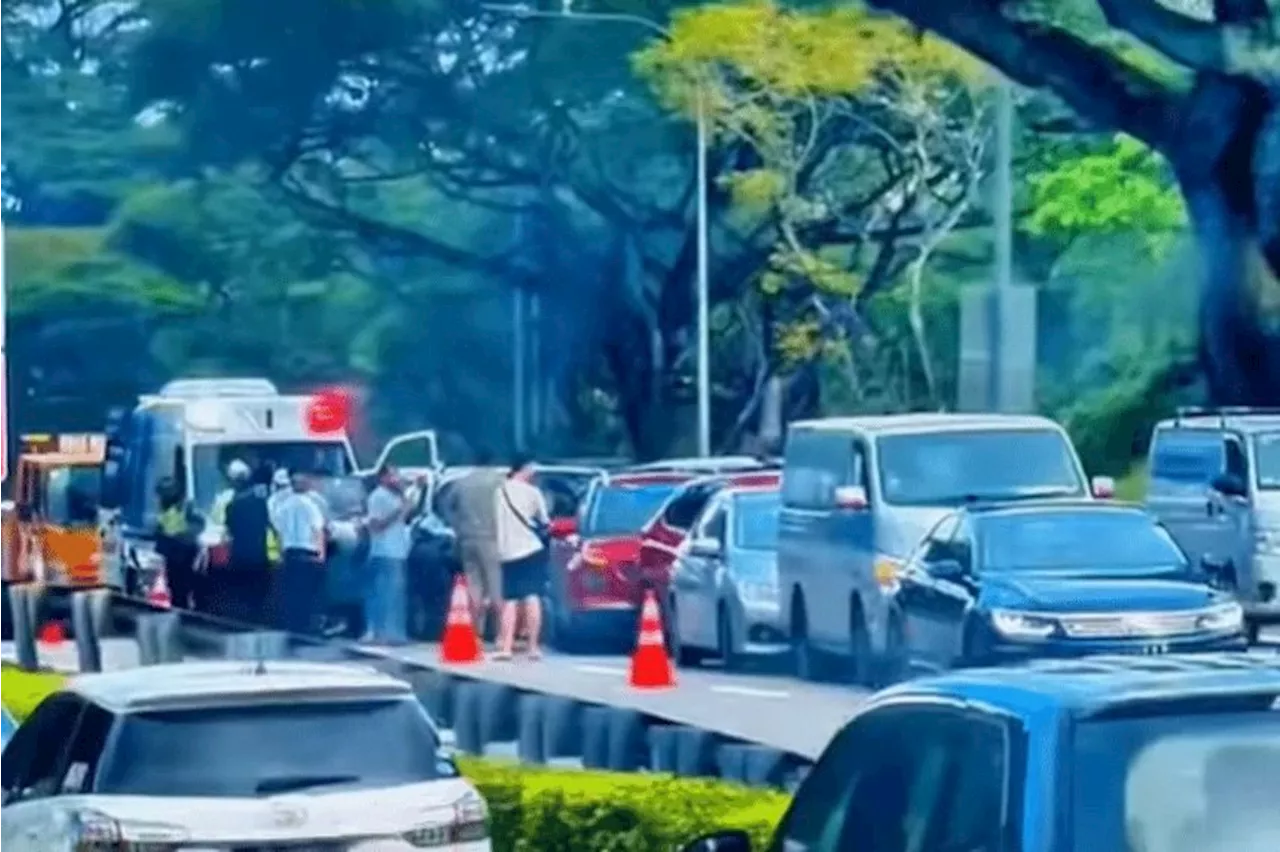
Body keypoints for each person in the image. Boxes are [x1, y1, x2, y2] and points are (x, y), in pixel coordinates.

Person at [493, 454, 551, 660]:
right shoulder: (533, 493)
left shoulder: (498, 491)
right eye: (532, 469)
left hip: (506, 551)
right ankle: (533, 647)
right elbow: (544, 521)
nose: (534, 473)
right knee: (532, 596)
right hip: (530, 549)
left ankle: (506, 647)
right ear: (524, 469)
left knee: (509, 599)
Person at [442, 450, 505, 637]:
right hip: (492, 538)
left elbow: (446, 506)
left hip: (467, 538)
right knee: (496, 586)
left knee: (473, 585)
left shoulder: (462, 483)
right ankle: (502, 633)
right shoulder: (498, 482)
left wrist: (457, 524)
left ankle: (476, 632)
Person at [271, 469, 328, 634]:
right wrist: (321, 554)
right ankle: (306, 629)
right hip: (308, 553)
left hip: (290, 554)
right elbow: (318, 530)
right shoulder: (310, 505)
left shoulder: (284, 506)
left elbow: (279, 531)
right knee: (308, 594)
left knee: (292, 594)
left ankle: (293, 628)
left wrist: (281, 553)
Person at [361, 464, 411, 645]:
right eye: (392, 475)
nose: (396, 478)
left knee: (396, 594)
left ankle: (395, 633)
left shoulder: (395, 496)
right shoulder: (378, 497)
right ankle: (381, 632)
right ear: (382, 478)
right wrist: (399, 510)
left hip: (398, 551)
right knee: (386, 593)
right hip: (384, 551)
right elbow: (376, 525)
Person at [219, 462, 273, 624]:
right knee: (258, 597)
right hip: (259, 555)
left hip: (240, 556)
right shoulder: (261, 502)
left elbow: (229, 528)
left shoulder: (232, 505)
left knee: (241, 596)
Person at [153, 477, 202, 609]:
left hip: (185, 553)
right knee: (175, 589)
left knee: (184, 588)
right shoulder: (164, 510)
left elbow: (198, 525)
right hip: (173, 554)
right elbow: (161, 531)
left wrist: (183, 536)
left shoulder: (186, 507)